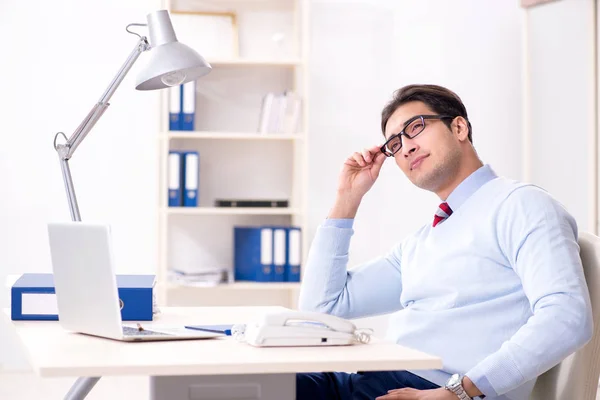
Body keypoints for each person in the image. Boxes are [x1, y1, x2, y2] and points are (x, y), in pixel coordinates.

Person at [296, 84, 593, 400]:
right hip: (374, 382)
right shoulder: (424, 239)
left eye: (415, 128)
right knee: (264, 385)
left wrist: (459, 392)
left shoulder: (520, 205)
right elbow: (321, 307)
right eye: (395, 144)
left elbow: (567, 316)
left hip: (436, 391)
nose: (406, 147)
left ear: (459, 127)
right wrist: (347, 197)